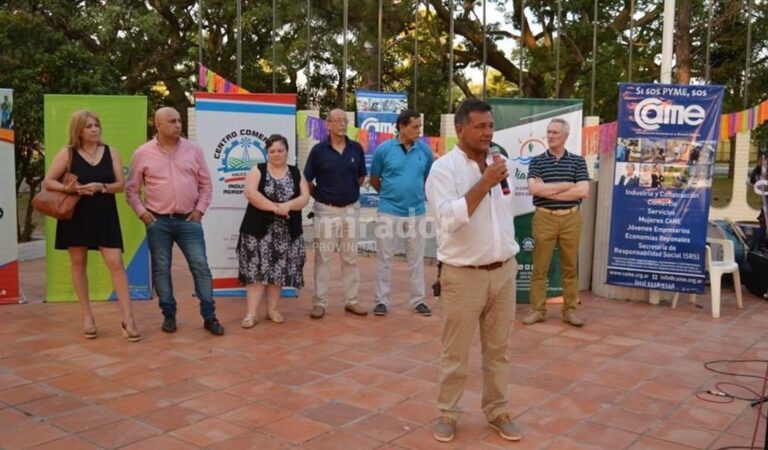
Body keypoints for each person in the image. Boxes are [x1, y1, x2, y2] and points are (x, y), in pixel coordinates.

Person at [425, 99, 522, 443]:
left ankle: (497, 410)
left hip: (503, 271)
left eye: (491, 126)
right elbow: (449, 219)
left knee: (499, 350)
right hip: (463, 275)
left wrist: (494, 177)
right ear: (461, 128)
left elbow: (507, 214)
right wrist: (484, 182)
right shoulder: (443, 170)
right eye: (481, 127)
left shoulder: (499, 161)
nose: (488, 132)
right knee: (456, 352)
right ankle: (448, 413)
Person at [42, 110, 140, 341]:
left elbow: (120, 184)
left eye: (96, 125)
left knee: (116, 263)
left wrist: (100, 187)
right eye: (89, 126)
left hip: (105, 214)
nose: (95, 129)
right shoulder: (68, 153)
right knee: (78, 263)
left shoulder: (111, 152)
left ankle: (128, 317)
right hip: (77, 214)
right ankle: (87, 316)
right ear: (78, 130)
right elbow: (49, 181)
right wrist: (69, 189)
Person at [126, 107, 224, 336]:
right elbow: (131, 190)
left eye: (179, 120)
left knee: (201, 267)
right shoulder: (143, 153)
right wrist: (143, 214)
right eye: (172, 121)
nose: (178, 125)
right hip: (157, 222)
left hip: (189, 220)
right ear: (158, 126)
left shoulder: (194, 150)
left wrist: (199, 211)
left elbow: (206, 185)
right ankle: (169, 314)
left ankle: (209, 316)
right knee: (161, 270)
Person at [523, 118, 590, 327]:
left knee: (570, 267)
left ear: (566, 136)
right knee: (539, 268)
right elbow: (534, 190)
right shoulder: (537, 161)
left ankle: (569, 310)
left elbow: (583, 191)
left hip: (571, 218)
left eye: (555, 133)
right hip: (544, 218)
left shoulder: (578, 161)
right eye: (549, 132)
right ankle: (537, 310)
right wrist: (567, 186)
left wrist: (549, 189)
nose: (550, 136)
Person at [237, 134, 310, 327]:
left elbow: (304, 197)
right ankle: (251, 314)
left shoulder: (295, 172)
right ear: (266, 153)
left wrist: (289, 205)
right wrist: (275, 208)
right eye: (272, 151)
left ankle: (272, 310)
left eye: (280, 150)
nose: (276, 154)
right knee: (255, 273)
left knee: (277, 272)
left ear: (287, 152)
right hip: (258, 232)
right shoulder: (258, 169)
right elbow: (250, 193)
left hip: (285, 233)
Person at [304, 109, 367, 319]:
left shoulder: (356, 149)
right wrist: (322, 196)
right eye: (338, 120)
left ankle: (352, 301)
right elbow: (307, 180)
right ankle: (320, 302)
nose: (342, 123)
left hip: (351, 209)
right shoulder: (318, 151)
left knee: (350, 257)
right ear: (328, 125)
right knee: (323, 257)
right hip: (325, 209)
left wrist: (346, 195)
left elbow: (360, 178)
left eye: (345, 120)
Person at [370, 110, 433, 316]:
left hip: (417, 212)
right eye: (415, 127)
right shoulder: (383, 150)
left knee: (416, 258)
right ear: (402, 127)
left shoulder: (425, 151)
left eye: (419, 126)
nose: (419, 131)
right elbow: (375, 179)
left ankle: (418, 300)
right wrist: (389, 197)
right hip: (389, 211)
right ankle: (382, 301)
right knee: (385, 257)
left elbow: (428, 178)